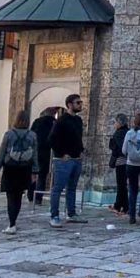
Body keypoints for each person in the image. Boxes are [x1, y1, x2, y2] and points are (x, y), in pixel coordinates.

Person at [0, 110, 39, 234]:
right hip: (25, 168)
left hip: (10, 168)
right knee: (18, 196)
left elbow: (2, 152)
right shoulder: (32, 135)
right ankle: (14, 221)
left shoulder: (9, 134)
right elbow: (35, 154)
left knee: (10, 196)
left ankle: (11, 223)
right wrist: (35, 170)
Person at [48, 92, 88, 228]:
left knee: (72, 188)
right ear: (70, 105)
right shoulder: (62, 120)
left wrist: (81, 151)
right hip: (64, 160)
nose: (80, 105)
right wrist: (61, 153)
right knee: (58, 189)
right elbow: (52, 139)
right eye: (78, 102)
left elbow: (78, 137)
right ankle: (54, 215)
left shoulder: (78, 120)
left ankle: (71, 213)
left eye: (81, 102)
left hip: (76, 159)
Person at [28, 106, 59, 205]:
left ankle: (30, 194)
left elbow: (31, 135)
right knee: (42, 175)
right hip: (47, 152)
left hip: (35, 151)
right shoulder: (55, 123)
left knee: (33, 174)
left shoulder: (37, 122)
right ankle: (38, 198)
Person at [108, 114, 130, 215]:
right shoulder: (128, 132)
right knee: (122, 185)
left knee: (121, 185)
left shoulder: (119, 133)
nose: (114, 124)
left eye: (115, 122)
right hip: (128, 161)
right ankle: (122, 206)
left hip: (121, 161)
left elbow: (121, 148)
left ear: (120, 123)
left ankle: (121, 206)